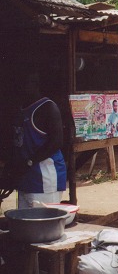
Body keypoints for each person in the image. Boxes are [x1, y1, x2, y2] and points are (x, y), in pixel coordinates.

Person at [3, 73, 67, 208]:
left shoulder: (47, 107)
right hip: (25, 181)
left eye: (23, 85)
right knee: (25, 226)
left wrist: (28, 162)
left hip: (44, 181)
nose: (19, 89)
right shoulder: (21, 109)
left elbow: (56, 142)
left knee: (43, 226)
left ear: (35, 85)